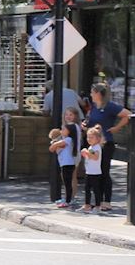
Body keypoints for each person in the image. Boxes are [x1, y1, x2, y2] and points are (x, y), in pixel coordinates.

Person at [82, 82, 129, 210]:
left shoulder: (110, 106)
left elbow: (127, 114)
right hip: (93, 143)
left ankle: (106, 201)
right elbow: (90, 122)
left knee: (104, 171)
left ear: (97, 93)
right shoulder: (93, 107)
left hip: (106, 143)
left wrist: (117, 128)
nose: (91, 95)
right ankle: (97, 201)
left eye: (92, 92)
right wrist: (85, 125)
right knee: (94, 172)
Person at [48, 106, 83, 209]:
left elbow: (59, 145)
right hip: (68, 156)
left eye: (71, 115)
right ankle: (69, 197)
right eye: (66, 114)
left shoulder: (74, 127)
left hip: (73, 156)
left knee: (71, 178)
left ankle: (71, 198)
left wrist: (55, 144)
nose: (68, 116)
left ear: (76, 116)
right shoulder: (68, 127)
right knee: (68, 178)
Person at [79, 125, 108, 213]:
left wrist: (87, 152)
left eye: (91, 137)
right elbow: (90, 157)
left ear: (98, 139)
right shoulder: (91, 147)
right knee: (87, 189)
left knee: (96, 190)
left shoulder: (97, 147)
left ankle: (98, 206)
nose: (89, 139)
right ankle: (87, 205)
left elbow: (95, 157)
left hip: (95, 173)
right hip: (89, 172)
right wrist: (85, 153)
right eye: (88, 137)